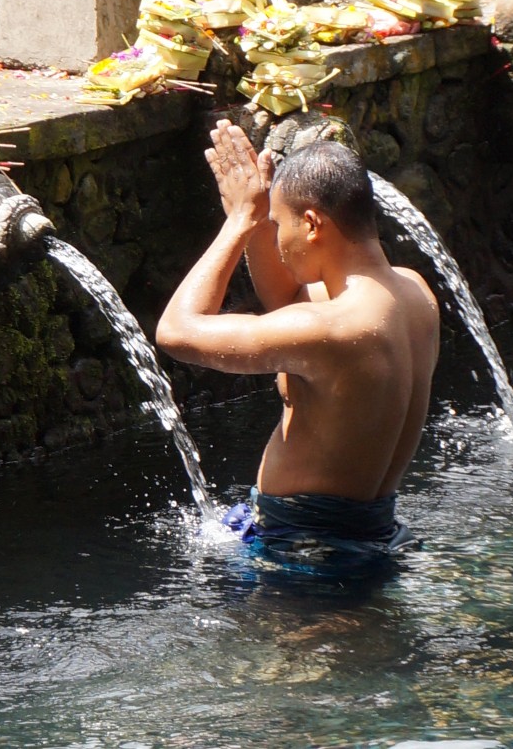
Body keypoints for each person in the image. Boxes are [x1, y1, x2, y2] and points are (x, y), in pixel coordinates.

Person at [156, 119, 440, 568]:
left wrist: (238, 223)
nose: (277, 240)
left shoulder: (330, 330)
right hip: (370, 535)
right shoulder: (412, 293)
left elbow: (176, 332)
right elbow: (287, 298)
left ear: (311, 224)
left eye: (278, 224)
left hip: (306, 556)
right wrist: (260, 220)